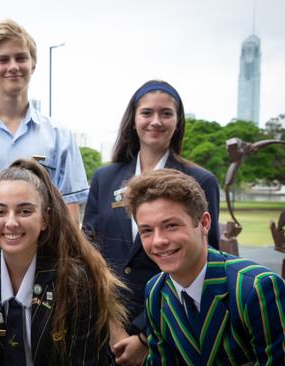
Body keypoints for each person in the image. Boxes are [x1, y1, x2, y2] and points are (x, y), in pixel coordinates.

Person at [82, 80, 220, 364]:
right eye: (147, 113)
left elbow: (209, 260)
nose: (155, 121)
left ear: (177, 122)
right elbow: (88, 254)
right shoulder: (105, 178)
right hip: (106, 328)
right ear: (133, 120)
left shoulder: (200, 180)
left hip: (172, 328)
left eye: (166, 113)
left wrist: (146, 335)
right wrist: (112, 323)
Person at [0, 19, 88, 248]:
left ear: (33, 64)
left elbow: (69, 207)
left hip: (42, 269)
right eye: (2, 60)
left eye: (21, 58)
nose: (13, 66)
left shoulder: (59, 136)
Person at [124, 169, 285, 364]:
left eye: (171, 226)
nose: (158, 241)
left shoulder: (256, 289)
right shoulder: (156, 291)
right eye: (147, 230)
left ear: (204, 223)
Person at [0, 159, 126, 365]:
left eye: (25, 211)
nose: (11, 223)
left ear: (45, 218)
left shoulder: (76, 279)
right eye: (0, 212)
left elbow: (85, 361)